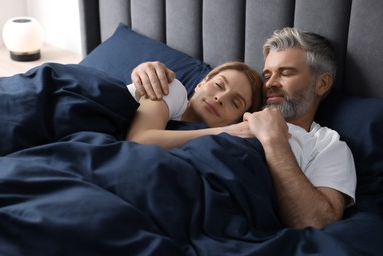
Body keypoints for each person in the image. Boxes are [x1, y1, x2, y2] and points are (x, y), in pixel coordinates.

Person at [130, 27, 357, 229]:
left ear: (322, 83)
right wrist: (145, 74)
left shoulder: (327, 145)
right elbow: (174, 116)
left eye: (286, 72)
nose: (270, 83)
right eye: (267, 74)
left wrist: (274, 140)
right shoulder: (230, 116)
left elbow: (317, 221)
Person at [127, 61, 262, 149]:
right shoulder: (174, 89)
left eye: (235, 103)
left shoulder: (206, 148)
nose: (219, 98)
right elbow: (138, 141)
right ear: (201, 83)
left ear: (237, 120)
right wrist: (226, 131)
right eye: (218, 85)